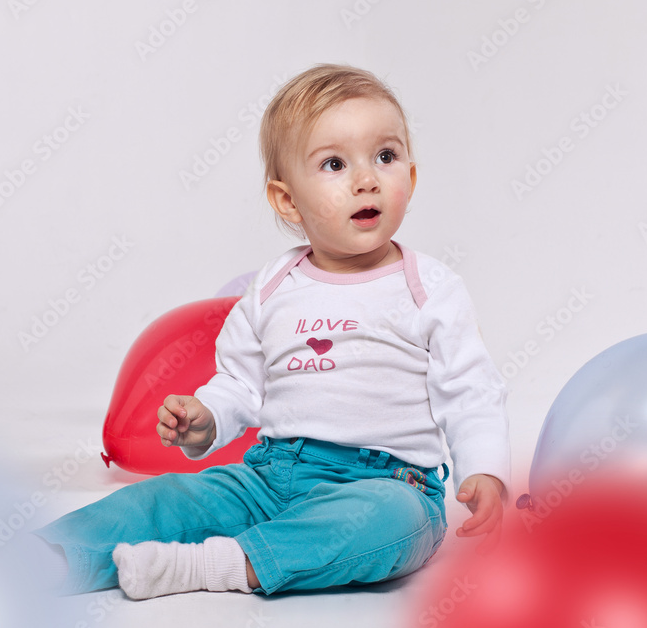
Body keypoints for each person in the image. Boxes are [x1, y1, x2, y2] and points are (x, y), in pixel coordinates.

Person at [33, 63, 510, 599]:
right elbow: (240, 383)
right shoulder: (272, 288)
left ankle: (220, 565)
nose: (367, 178)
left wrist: (485, 470)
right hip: (269, 475)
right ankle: (43, 558)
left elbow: (470, 390)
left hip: (386, 482)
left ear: (411, 177)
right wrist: (206, 418)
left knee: (389, 523)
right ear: (287, 200)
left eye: (386, 156)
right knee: (166, 499)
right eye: (334, 163)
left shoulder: (430, 288)